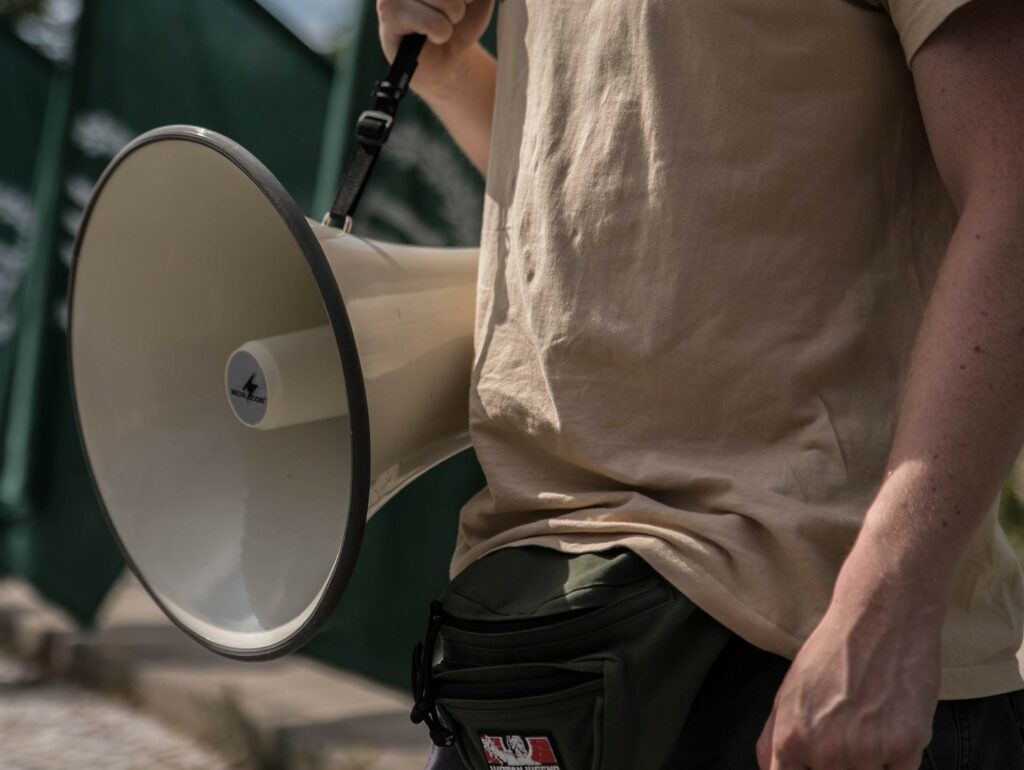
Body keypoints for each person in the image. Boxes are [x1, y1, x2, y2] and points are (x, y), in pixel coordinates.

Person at [376, 0, 1024, 767]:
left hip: (803, 657)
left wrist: (892, 601)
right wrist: (449, 75)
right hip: (531, 626)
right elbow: (606, 181)